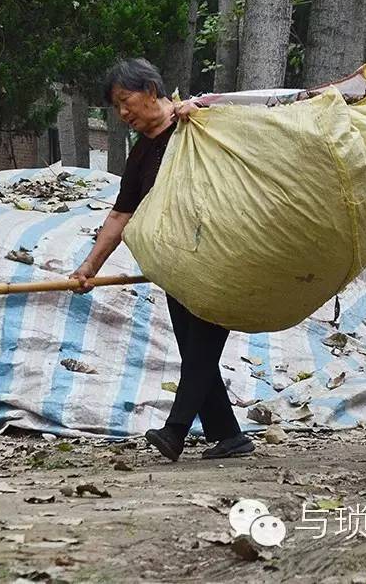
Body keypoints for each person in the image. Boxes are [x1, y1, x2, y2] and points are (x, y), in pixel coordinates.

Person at [69, 57, 254, 462]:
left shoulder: (199, 123)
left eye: (125, 101)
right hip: (178, 265)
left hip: (220, 258)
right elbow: (121, 214)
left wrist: (203, 109)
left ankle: (175, 432)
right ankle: (230, 435)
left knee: (202, 348)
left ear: (151, 90)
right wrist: (89, 267)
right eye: (115, 107)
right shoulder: (140, 155)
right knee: (195, 351)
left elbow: (250, 129)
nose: (122, 114)